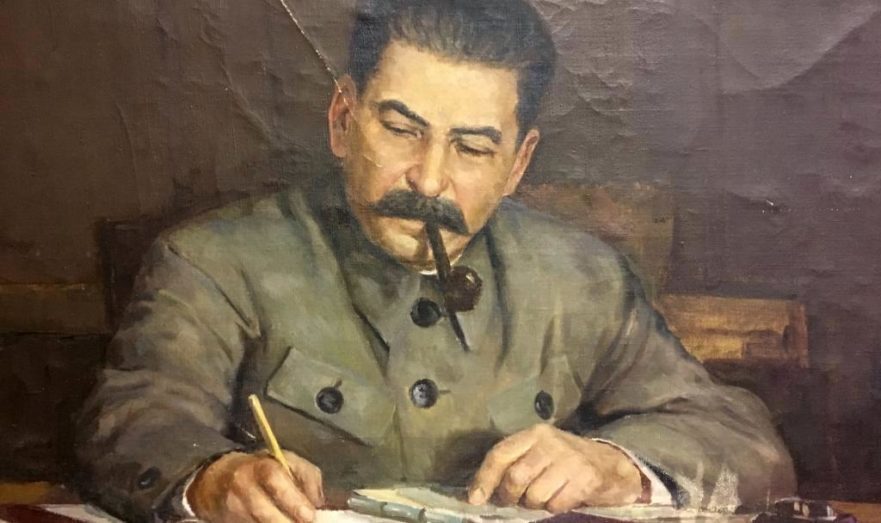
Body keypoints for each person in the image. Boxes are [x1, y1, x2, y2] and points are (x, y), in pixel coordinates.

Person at [76, 1, 796, 522]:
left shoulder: (582, 279)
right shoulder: (215, 261)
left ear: (518, 164)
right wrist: (213, 476)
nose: (427, 180)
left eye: (472, 148)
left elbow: (743, 441)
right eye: (401, 129)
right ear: (342, 121)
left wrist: (613, 465)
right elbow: (135, 422)